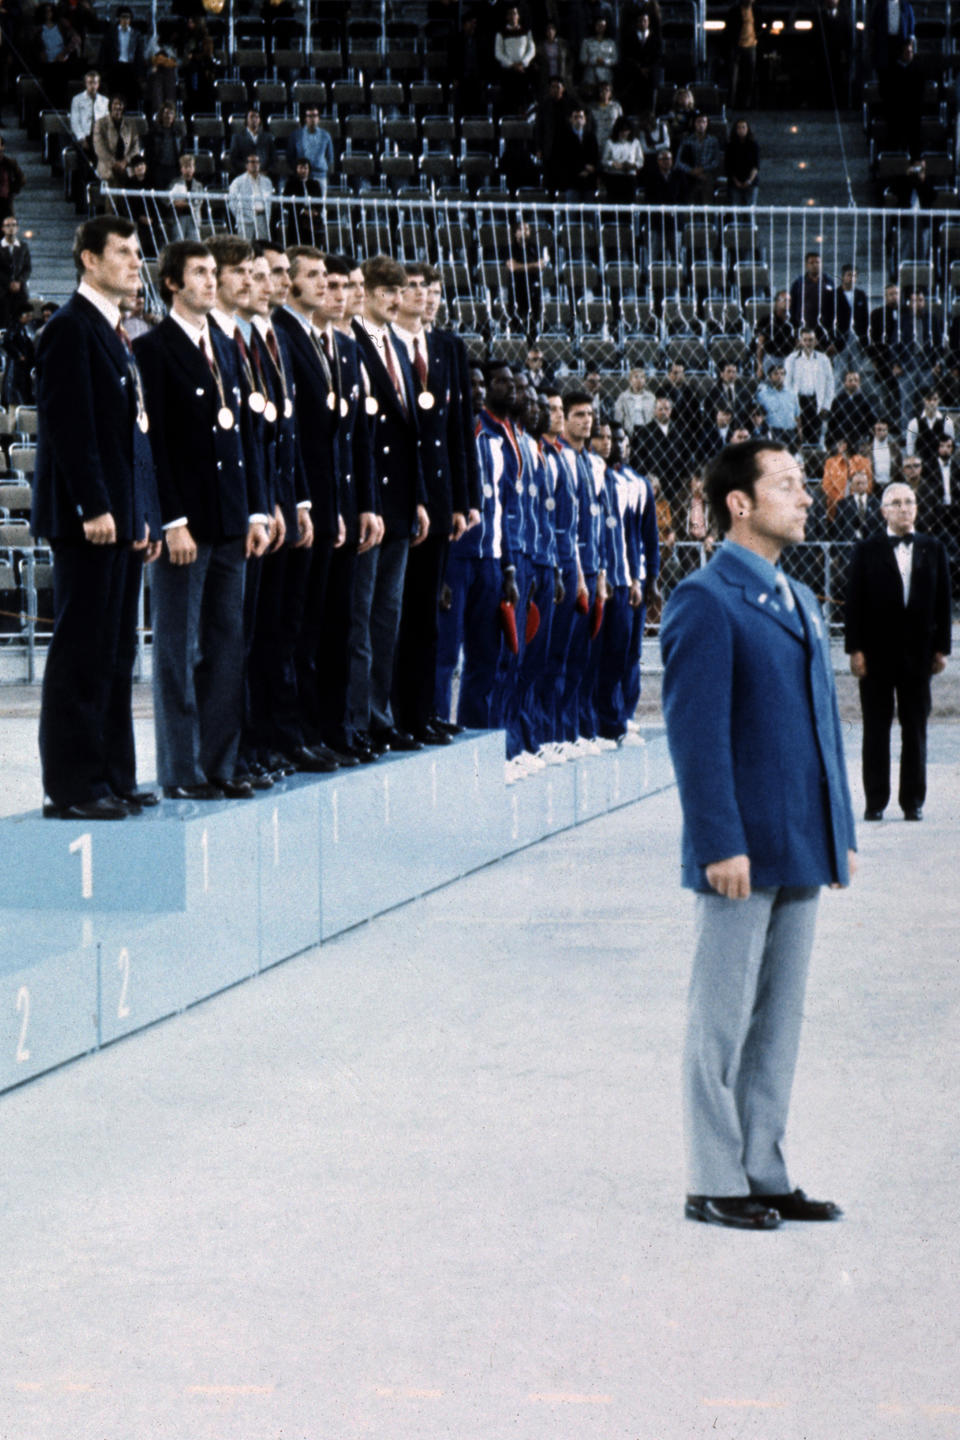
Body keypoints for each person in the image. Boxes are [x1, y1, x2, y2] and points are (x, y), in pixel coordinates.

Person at [661, 438, 856, 1230]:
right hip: (740, 846)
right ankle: (714, 1177)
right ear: (739, 503)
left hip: (800, 838)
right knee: (720, 1017)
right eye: (786, 485)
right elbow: (695, 738)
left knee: (779, 1016)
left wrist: (837, 829)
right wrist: (717, 841)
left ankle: (763, 1168)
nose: (805, 497)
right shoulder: (706, 600)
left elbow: (822, 729)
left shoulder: (798, 599)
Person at [33, 214, 161, 820]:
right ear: (88, 258)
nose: (136, 262)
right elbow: (70, 426)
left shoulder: (116, 331)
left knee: (115, 652)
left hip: (120, 517)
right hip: (89, 520)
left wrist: (141, 516)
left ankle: (113, 773)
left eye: (138, 253)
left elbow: (131, 437)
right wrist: (96, 506)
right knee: (81, 650)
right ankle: (73, 785)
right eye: (123, 252)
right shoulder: (69, 328)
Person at [135, 239, 271, 801]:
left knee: (224, 645)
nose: (212, 281)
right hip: (186, 527)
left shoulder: (224, 343)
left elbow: (241, 437)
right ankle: (181, 769)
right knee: (178, 648)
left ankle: (219, 763)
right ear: (172, 282)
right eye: (199, 272)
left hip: (230, 520)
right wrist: (171, 521)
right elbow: (155, 445)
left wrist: (256, 511)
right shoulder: (155, 348)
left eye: (215, 272)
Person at [845, 480, 951, 821]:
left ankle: (912, 801)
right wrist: (855, 649)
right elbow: (854, 603)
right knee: (876, 728)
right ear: (883, 511)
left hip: (918, 654)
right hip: (876, 655)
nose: (904, 508)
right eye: (896, 503)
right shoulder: (866, 549)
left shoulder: (933, 548)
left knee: (915, 727)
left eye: (909, 502)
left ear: (917, 508)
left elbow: (943, 603)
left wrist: (941, 649)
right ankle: (875, 800)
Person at [93, 94, 141, 186]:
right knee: (111, 192)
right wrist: (114, 163)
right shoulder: (100, 123)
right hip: (107, 165)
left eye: (120, 104)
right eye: (115, 103)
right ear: (110, 105)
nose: (118, 106)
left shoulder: (130, 124)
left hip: (126, 166)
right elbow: (99, 147)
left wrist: (125, 161)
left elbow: (136, 147)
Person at [675, 111, 721, 205]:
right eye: (698, 122)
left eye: (704, 122)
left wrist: (702, 169)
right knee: (689, 203)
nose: (701, 125)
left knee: (707, 202)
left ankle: (708, 218)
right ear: (694, 124)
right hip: (689, 175)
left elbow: (716, 161)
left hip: (706, 174)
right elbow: (678, 161)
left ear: (707, 124)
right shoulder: (686, 140)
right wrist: (692, 171)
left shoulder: (713, 141)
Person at [286, 106, 334, 193]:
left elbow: (329, 157)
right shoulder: (296, 135)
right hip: (302, 176)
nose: (312, 119)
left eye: (315, 116)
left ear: (318, 118)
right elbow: (290, 155)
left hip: (320, 175)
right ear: (305, 118)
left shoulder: (325, 136)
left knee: (320, 204)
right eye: (309, 116)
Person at [228, 154, 275, 240]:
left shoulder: (267, 181)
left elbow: (269, 202)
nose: (255, 164)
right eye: (252, 162)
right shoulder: (238, 182)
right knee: (246, 248)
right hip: (245, 220)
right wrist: (241, 216)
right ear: (246, 165)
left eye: (257, 162)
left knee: (262, 248)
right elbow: (232, 203)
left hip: (263, 219)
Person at [601, 116, 644, 203]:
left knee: (629, 206)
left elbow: (640, 161)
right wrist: (613, 164)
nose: (624, 133)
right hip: (614, 178)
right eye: (621, 131)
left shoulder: (635, 142)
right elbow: (604, 160)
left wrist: (632, 165)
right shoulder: (610, 142)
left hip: (630, 178)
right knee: (613, 205)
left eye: (626, 130)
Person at [0, 216, 31, 330]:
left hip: (19, 290)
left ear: (17, 228)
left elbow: (27, 268)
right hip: (3, 290)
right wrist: (9, 282)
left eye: (13, 225)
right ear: (3, 229)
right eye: (8, 225)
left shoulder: (23, 247)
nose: (11, 228)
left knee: (20, 320)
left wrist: (19, 281)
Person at [724, 117, 759, 206]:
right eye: (739, 127)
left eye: (744, 127)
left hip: (751, 181)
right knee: (736, 210)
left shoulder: (753, 145)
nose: (741, 130)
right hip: (735, 182)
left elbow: (756, 165)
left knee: (750, 209)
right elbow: (728, 166)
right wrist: (736, 182)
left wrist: (749, 181)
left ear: (748, 129)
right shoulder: (730, 146)